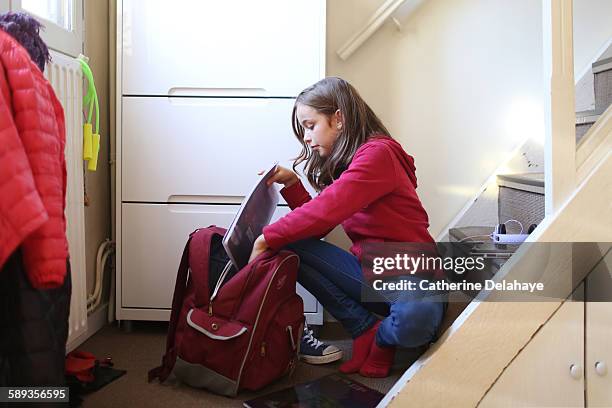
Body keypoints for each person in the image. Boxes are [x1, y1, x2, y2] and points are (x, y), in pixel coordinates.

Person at [249, 77, 446, 378]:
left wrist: (265, 238)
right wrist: (292, 185)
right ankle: (363, 328)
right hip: (370, 272)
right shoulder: (347, 162)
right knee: (289, 242)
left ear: (338, 118)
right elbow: (316, 224)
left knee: (414, 321)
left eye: (310, 125)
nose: (305, 137)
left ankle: (381, 339)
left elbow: (327, 210)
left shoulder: (378, 154)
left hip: (411, 270)